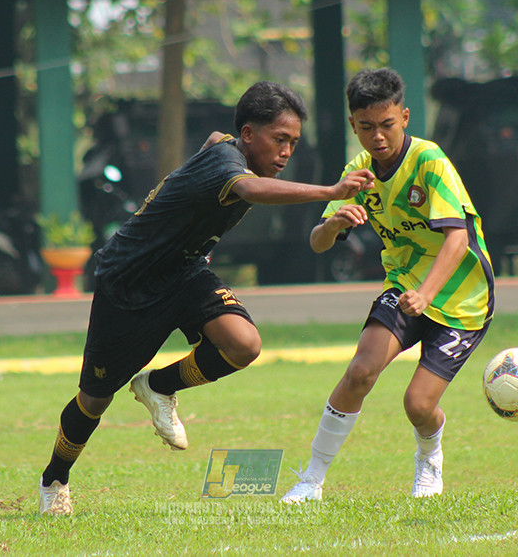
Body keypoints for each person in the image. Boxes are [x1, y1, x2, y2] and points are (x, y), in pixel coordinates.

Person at [38, 81, 376, 515]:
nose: (287, 152)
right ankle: (54, 480)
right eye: (279, 140)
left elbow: (216, 139)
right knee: (94, 400)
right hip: (127, 282)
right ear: (250, 135)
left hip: (183, 270)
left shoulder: (225, 147)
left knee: (244, 344)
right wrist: (331, 192)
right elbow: (250, 189)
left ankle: (158, 386)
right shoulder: (228, 164)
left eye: (293, 142)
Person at [280, 67, 494, 503]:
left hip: (462, 297)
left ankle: (429, 456)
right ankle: (312, 479)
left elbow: (457, 238)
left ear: (405, 117)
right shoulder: (359, 169)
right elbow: (318, 243)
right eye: (366, 127)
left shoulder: (429, 161)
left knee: (417, 405)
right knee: (360, 371)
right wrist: (335, 219)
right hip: (403, 283)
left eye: (387, 125)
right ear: (352, 124)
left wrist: (428, 294)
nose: (377, 137)